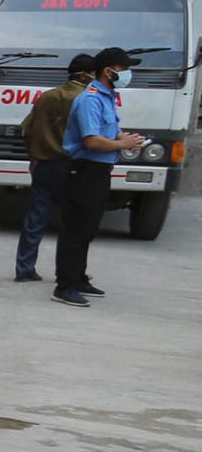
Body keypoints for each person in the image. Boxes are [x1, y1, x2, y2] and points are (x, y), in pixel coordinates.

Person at [53, 46, 145, 307]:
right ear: (109, 71)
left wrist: (124, 138)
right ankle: (65, 285)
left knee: (88, 228)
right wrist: (123, 145)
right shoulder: (91, 99)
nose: (128, 74)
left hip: (98, 171)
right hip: (84, 170)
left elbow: (106, 133)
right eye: (124, 69)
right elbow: (92, 141)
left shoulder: (107, 97)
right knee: (76, 229)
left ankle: (78, 277)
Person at [15, 54, 97, 282]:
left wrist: (34, 157)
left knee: (35, 219)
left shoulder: (47, 97)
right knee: (73, 223)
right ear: (84, 75)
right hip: (72, 167)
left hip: (43, 165)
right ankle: (69, 272)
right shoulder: (87, 99)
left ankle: (24, 268)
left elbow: (28, 130)